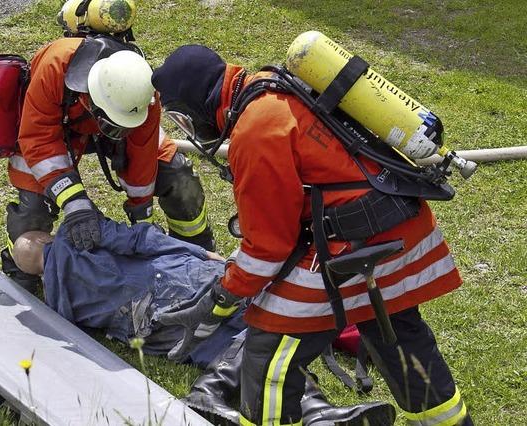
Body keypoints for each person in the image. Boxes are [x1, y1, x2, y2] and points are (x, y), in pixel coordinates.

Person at [151, 45, 472, 425]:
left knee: (267, 357)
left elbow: (268, 250)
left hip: (358, 243)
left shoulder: (255, 131)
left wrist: (222, 297)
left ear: (198, 101)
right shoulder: (272, 87)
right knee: (398, 337)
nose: (191, 128)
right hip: (403, 227)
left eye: (182, 118)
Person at [12, 224, 396, 425]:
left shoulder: (58, 307)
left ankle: (307, 413)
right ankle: (317, 412)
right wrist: (201, 252)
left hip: (156, 329)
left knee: (252, 345)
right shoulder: (77, 234)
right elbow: (144, 240)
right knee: (266, 333)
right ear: (47, 236)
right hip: (179, 283)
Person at [1, 0, 215, 292]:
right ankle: (21, 264)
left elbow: (143, 156)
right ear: (91, 96)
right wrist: (76, 204)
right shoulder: (55, 65)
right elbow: (38, 139)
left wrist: (143, 221)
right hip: (54, 130)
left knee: (176, 173)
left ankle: (195, 245)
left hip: (108, 121)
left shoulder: (142, 91)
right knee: (33, 205)